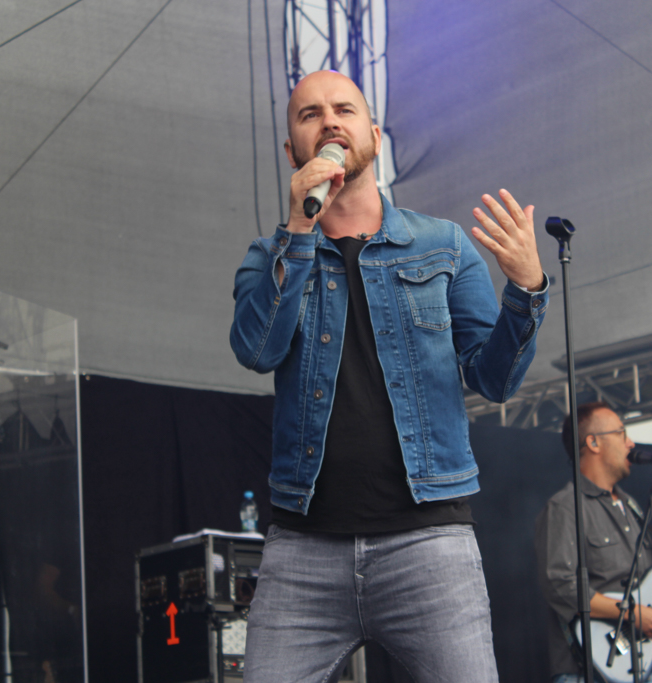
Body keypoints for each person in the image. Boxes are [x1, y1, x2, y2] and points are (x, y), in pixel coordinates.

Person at [230, 69, 549, 682]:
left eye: (344, 109)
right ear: (293, 152)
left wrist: (526, 288)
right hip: (303, 551)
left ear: (374, 136)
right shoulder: (268, 256)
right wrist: (299, 229)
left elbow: (496, 380)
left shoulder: (443, 246)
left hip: (428, 545)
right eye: (310, 114)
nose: (329, 121)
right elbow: (258, 350)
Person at [534, 402, 652, 683]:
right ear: (593, 443)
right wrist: (632, 613)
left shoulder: (631, 507)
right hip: (586, 670)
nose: (631, 443)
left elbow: (639, 593)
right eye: (621, 433)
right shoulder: (565, 507)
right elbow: (561, 585)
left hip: (639, 664)